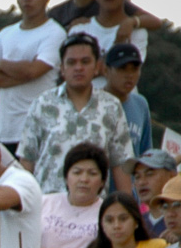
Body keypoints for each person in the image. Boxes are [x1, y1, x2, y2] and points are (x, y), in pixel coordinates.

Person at [18, 33, 132, 194]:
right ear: (62, 68)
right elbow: (26, 160)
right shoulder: (42, 103)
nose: (78, 68)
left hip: (94, 209)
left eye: (85, 62)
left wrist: (128, 207)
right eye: (71, 63)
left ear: (97, 66)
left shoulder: (111, 106)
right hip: (48, 206)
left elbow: (121, 163)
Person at [0, 0, 64, 152]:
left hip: (41, 128)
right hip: (6, 129)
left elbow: (33, 71)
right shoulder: (5, 34)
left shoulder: (55, 33)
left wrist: (4, 65)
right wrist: (26, 71)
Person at [67, 0, 146, 87]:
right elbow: (70, 70)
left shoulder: (138, 32)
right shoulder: (78, 30)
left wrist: (90, 67)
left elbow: (127, 71)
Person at [103, 43, 150, 161]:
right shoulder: (94, 103)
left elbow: (145, 153)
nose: (129, 75)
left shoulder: (141, 104)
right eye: (122, 68)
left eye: (134, 69)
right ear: (106, 71)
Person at [130, 148, 175, 236]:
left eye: (149, 174)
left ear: (171, 176)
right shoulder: (135, 225)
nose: (141, 182)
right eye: (137, 177)